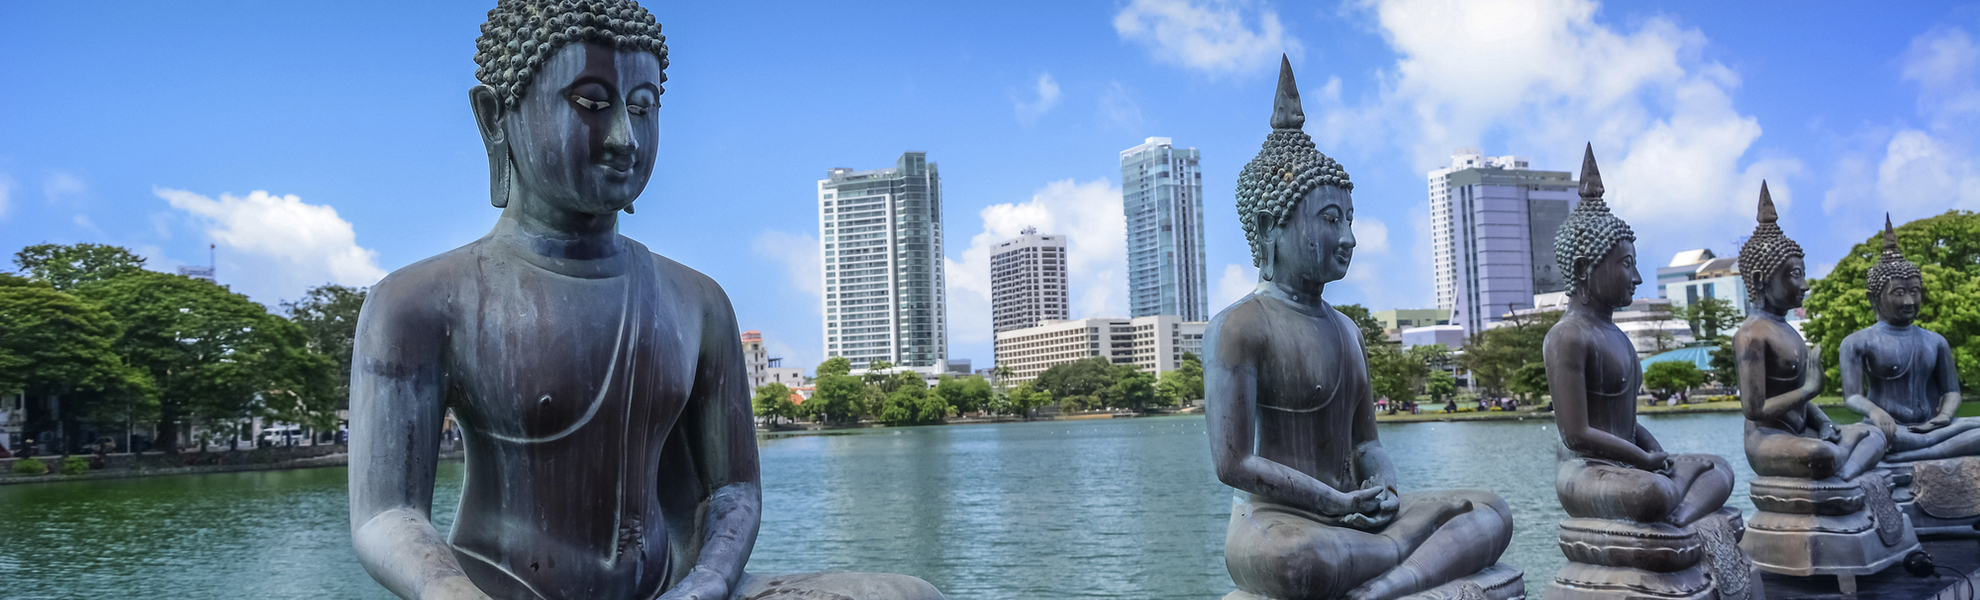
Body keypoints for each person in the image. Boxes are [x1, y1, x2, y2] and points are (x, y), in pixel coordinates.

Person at [346, 3, 941, 599]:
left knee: (910, 595)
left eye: (642, 107)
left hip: (667, 587)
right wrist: (449, 592)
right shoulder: (420, 302)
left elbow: (732, 490)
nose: (624, 138)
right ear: (494, 116)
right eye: (591, 103)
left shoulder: (697, 301)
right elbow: (387, 513)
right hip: (500, 590)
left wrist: (707, 581)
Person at [1205, 56, 1518, 600]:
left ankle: (1387, 577)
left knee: (1490, 511)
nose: (1348, 238)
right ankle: (1405, 560)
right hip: (1278, 523)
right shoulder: (1238, 327)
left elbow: (1367, 442)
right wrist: (1331, 503)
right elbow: (1233, 463)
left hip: (1355, 514)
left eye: (1350, 220)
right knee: (1299, 563)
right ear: (1270, 227)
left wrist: (1385, 487)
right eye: (1330, 220)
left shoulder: (1347, 330)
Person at [1841, 218, 1980, 463]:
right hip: (1888, 429)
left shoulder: (1935, 341)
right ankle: (1925, 451)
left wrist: (1944, 416)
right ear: (1873, 298)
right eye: (1899, 293)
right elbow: (1852, 396)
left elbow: (1951, 391)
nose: (1909, 301)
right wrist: (1874, 411)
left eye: (1914, 292)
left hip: (1932, 428)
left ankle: (1918, 454)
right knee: (1867, 437)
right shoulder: (1857, 342)